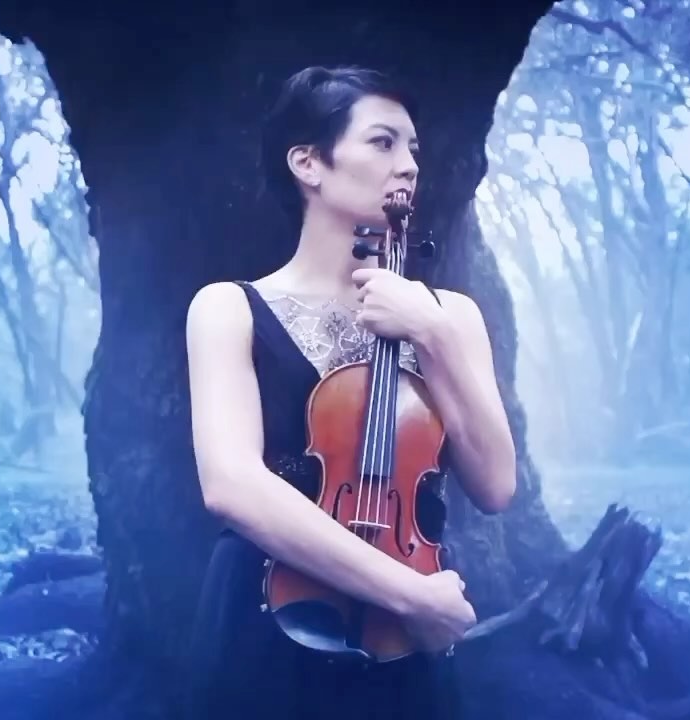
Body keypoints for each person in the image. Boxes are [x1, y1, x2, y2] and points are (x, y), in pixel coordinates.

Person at [184, 65, 516, 720]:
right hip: (267, 615)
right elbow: (231, 486)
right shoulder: (227, 308)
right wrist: (411, 596)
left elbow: (496, 485)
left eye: (413, 148)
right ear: (308, 163)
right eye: (382, 142)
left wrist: (431, 332)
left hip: (402, 643)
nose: (409, 165)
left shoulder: (452, 317)